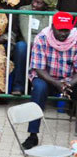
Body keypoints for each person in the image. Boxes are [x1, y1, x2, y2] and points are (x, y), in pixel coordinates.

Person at [22, 11, 77, 149]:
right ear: (53, 27)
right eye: (60, 30)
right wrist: (57, 83)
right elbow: (39, 69)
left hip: (69, 80)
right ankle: (32, 135)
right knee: (39, 89)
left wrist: (69, 83)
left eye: (66, 30)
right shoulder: (42, 38)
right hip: (46, 78)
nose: (63, 34)